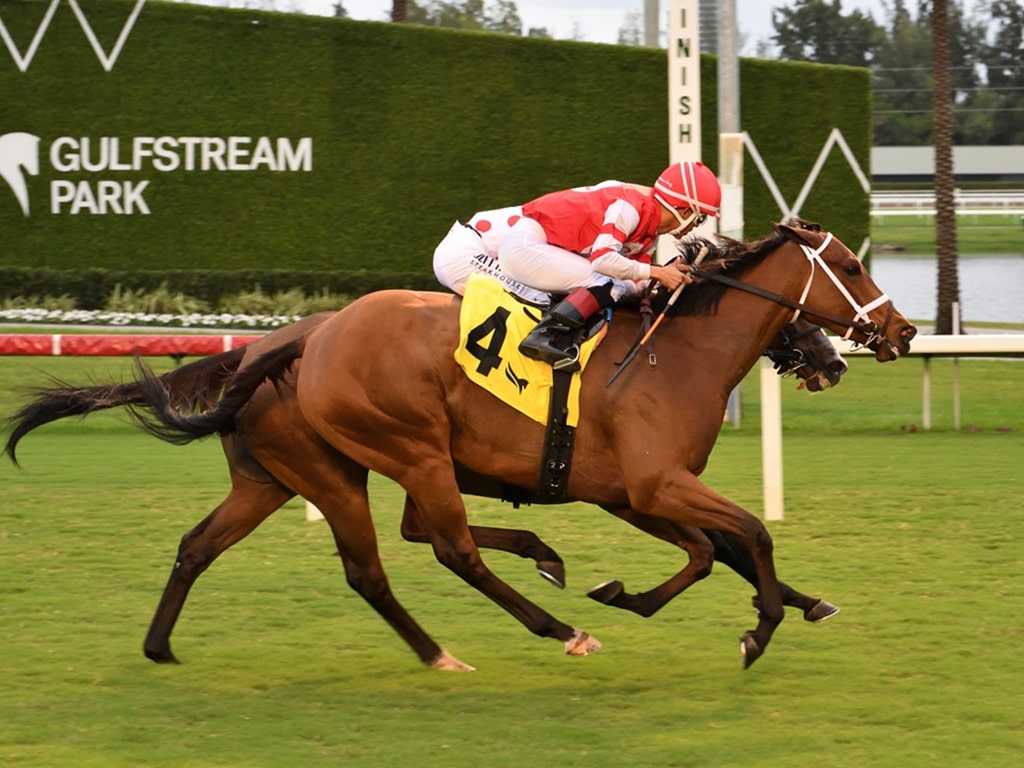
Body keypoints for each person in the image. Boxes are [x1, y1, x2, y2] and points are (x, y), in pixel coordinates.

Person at [498, 161, 722, 368]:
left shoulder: (650, 231)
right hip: (525, 246)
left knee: (621, 285)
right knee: (609, 281)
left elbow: (636, 282)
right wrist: (658, 272)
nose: (697, 225)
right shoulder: (630, 208)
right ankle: (544, 335)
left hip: (541, 247)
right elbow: (603, 260)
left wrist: (666, 275)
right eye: (700, 217)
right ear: (684, 210)